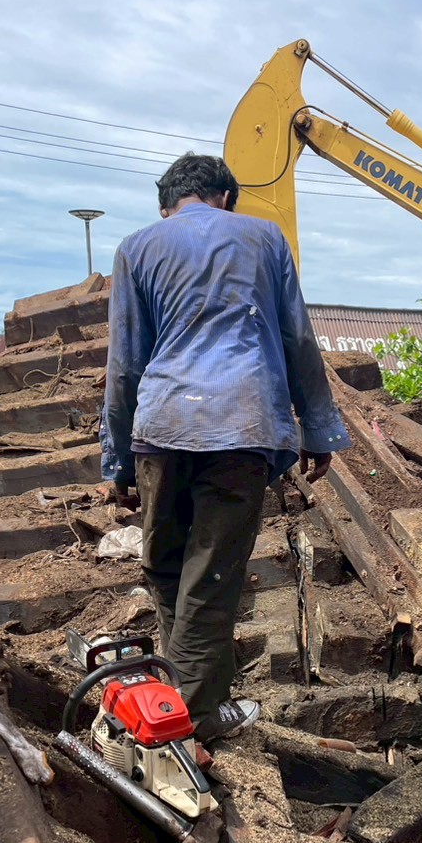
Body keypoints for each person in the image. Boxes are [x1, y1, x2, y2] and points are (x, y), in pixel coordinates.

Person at [102, 152, 350, 740]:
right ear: (225, 197)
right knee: (210, 576)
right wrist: (318, 429)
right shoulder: (265, 238)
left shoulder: (137, 247)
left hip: (161, 428)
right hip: (242, 426)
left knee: (166, 565)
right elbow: (296, 338)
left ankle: (183, 708)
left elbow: (125, 363)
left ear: (170, 204)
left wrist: (116, 457)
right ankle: (190, 718)